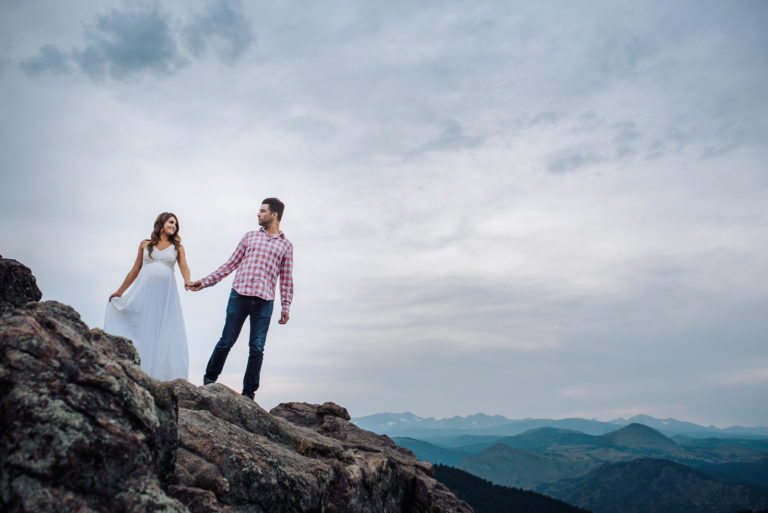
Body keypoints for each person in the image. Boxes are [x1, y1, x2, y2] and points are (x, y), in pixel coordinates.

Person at [189, 197, 293, 400]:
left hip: (265, 301)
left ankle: (248, 394)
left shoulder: (286, 245)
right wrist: (206, 281)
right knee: (226, 340)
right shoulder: (249, 237)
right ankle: (208, 382)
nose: (258, 214)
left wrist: (286, 306)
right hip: (239, 294)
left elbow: (286, 278)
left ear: (274, 215)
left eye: (263, 211)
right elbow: (230, 264)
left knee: (257, 347)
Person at [105, 212, 191, 381]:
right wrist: (120, 291)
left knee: (164, 330)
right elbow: (135, 270)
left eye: (176, 224)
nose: (174, 226)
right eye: (171, 222)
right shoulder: (145, 244)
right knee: (143, 325)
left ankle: (161, 375)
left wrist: (188, 281)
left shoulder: (178, 247)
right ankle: (138, 368)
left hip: (165, 297)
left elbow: (184, 267)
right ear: (161, 223)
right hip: (144, 293)